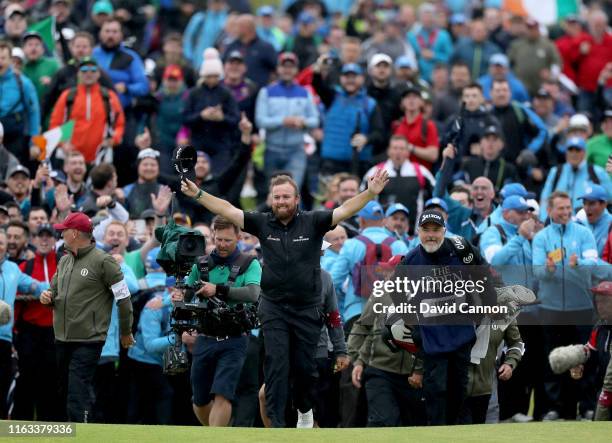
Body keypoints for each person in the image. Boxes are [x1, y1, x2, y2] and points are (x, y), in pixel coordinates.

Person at [180, 167, 390, 428]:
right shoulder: (262, 222)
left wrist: (370, 193)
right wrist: (198, 194)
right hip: (274, 307)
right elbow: (227, 210)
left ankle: (304, 410)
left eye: (285, 197)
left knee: (305, 370)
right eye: (276, 197)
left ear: (297, 199)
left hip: (307, 308)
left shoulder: (314, 221)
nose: (280, 202)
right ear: (271, 198)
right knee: (276, 366)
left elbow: (345, 210)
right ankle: (277, 427)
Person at [390, 209, 498, 425]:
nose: (431, 235)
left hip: (462, 332)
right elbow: (396, 290)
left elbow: (484, 279)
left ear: (444, 231)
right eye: (426, 230)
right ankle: (436, 432)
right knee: (435, 388)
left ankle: (454, 432)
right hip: (431, 337)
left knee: (459, 387)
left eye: (436, 230)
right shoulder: (411, 260)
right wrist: (414, 324)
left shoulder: (462, 250)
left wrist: (484, 312)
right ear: (418, 232)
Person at [40, 212, 134, 422]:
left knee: (77, 389)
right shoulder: (64, 261)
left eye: (64, 230)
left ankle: (80, 432)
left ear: (74, 233)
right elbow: (52, 292)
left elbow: (124, 298)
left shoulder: (104, 261)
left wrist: (126, 332)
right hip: (62, 338)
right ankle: (75, 428)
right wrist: (46, 296)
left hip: (89, 339)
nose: (61, 234)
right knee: (65, 389)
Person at [172, 216, 261, 427]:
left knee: (223, 394)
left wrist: (219, 289)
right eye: (218, 239)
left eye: (227, 240)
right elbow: (186, 297)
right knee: (200, 400)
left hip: (235, 339)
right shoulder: (201, 264)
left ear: (238, 237)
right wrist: (179, 297)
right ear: (213, 235)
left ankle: (215, 437)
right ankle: (219, 433)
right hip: (205, 338)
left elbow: (253, 293)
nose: (222, 244)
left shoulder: (250, 263)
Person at [531, 191, 599, 421]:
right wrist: (548, 270)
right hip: (551, 309)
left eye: (568, 207)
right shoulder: (541, 238)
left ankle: (587, 407)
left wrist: (579, 263)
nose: (566, 212)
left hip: (581, 307)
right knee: (553, 358)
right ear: (550, 210)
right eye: (561, 208)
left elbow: (593, 262)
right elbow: (537, 270)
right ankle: (555, 409)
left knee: (585, 356)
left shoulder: (583, 233)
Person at [12, 224, 62, 421]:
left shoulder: (64, 264)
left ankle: (52, 431)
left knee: (52, 383)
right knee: (26, 382)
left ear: (54, 241)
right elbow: (14, 300)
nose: (43, 240)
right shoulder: (26, 267)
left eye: (48, 236)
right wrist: (15, 330)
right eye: (40, 236)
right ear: (33, 240)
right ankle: (20, 432)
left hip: (55, 332)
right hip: (29, 333)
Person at [0, 229, 48, 419]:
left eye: (1, 243)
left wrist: (60, 287)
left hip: (4, 340)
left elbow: (36, 287)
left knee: (3, 390)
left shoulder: (13, 269)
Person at [255, 52, 319, 188]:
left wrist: (303, 122)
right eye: (284, 66)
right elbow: (260, 120)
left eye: (291, 67)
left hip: (296, 150)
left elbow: (315, 120)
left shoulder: (304, 92)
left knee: (293, 190)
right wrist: (283, 121)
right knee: (273, 193)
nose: (287, 70)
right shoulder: (266, 92)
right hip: (271, 149)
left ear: (296, 70)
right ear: (278, 69)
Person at [49, 57, 125, 165]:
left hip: (100, 158)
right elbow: (55, 124)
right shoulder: (68, 96)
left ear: (98, 74)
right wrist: (62, 144)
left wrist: (113, 140)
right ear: (78, 74)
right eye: (84, 70)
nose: (88, 74)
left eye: (93, 70)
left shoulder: (108, 97)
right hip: (70, 159)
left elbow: (119, 124)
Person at [539, 137, 612, 220]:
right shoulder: (556, 172)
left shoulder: (597, 172)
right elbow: (545, 199)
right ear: (566, 153)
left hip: (590, 223)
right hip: (560, 222)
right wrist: (544, 220)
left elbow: (609, 198)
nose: (574, 154)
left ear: (584, 153)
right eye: (570, 150)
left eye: (577, 150)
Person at [0, 40, 41, 167]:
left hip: (15, 137)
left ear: (10, 60)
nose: (0, 62)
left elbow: (34, 113)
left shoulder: (23, 83)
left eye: (3, 58)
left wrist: (34, 143)